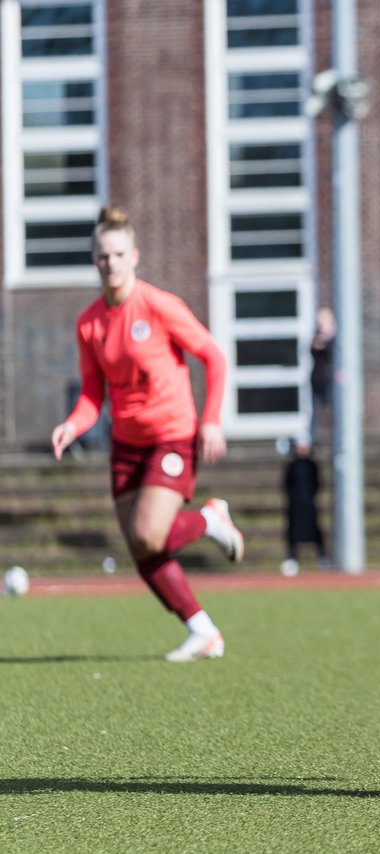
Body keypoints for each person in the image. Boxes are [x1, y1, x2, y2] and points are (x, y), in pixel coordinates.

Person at [51, 203, 245, 663]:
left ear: (134, 256)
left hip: (172, 434)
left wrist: (211, 419)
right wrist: (72, 425)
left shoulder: (158, 306)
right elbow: (92, 395)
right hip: (126, 444)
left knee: (149, 533)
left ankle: (210, 521)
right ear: (94, 260)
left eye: (118, 255)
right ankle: (203, 630)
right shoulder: (89, 323)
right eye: (102, 256)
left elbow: (213, 357)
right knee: (140, 547)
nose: (110, 264)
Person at [281, 436, 328, 576]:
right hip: (295, 505)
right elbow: (287, 485)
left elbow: (317, 484)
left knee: (315, 530)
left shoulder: (312, 465)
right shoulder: (292, 465)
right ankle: (292, 559)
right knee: (293, 532)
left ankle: (323, 558)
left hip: (309, 504)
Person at [309, 306, 336, 442]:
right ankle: (312, 439)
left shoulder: (335, 336)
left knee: (334, 411)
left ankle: (336, 435)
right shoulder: (316, 337)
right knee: (314, 412)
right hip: (317, 379)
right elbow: (313, 352)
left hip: (331, 381)